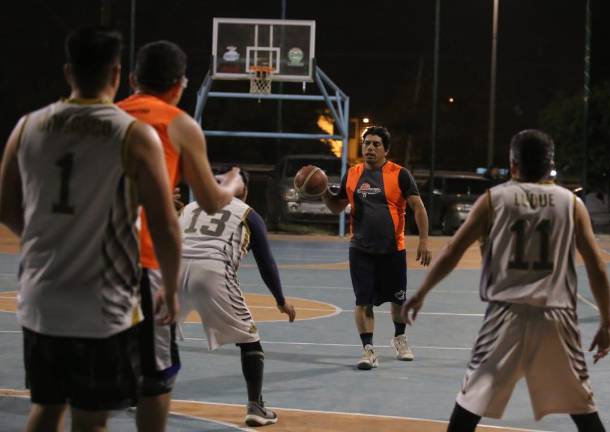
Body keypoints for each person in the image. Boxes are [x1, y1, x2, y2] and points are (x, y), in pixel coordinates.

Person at [0, 26, 181, 432]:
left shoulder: (27, 127)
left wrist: (45, 237)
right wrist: (169, 288)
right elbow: (165, 224)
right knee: (91, 419)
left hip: (42, 296)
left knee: (46, 408)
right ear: (116, 73)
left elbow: (5, 206)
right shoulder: (134, 135)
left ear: (69, 71)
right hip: (103, 303)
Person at [402, 129, 610, 432]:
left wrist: (421, 292)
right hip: (556, 316)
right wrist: (607, 323)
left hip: (504, 316)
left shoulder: (494, 199)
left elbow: (452, 250)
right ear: (551, 165)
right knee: (583, 410)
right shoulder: (571, 203)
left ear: (513, 164)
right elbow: (597, 267)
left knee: (469, 405)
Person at [116, 40, 244, 431]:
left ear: (133, 79)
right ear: (180, 85)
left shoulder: (107, 116)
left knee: (91, 380)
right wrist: (232, 184)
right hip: (143, 263)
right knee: (156, 377)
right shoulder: (179, 124)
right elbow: (209, 200)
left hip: (91, 259)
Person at [176, 169, 296, 426]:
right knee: (249, 339)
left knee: (157, 333)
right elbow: (266, 263)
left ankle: (140, 391)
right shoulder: (247, 213)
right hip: (212, 269)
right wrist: (280, 300)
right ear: (245, 190)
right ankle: (255, 407)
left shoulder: (189, 207)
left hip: (173, 268)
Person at [321, 125, 431, 369]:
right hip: (361, 250)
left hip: (393, 250)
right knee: (363, 302)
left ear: (386, 150)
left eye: (376, 144)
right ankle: (368, 349)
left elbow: (418, 207)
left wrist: (424, 240)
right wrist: (324, 193)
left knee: (398, 300)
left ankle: (399, 337)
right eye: (366, 143)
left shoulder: (400, 174)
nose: (370, 148)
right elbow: (337, 207)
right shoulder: (352, 174)